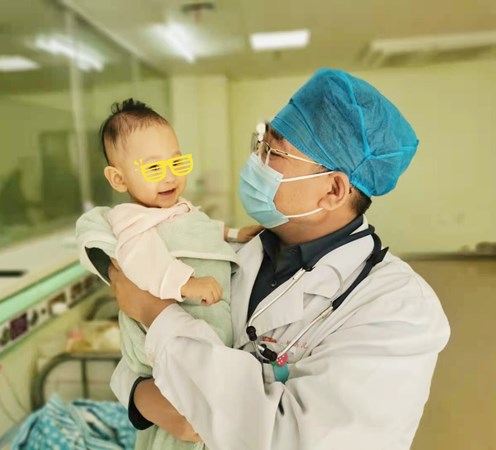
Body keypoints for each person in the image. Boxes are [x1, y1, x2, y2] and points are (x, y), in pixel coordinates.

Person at [107, 69, 451, 450]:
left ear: (333, 190)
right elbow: (133, 360)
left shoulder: (397, 309)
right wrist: (145, 398)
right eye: (260, 143)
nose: (256, 160)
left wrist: (156, 313)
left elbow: (295, 439)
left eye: (274, 152)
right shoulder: (230, 252)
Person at [75, 99, 261, 450]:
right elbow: (141, 260)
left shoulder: (176, 210)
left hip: (205, 341)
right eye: (153, 168)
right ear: (118, 179)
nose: (170, 176)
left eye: (176, 162)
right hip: (171, 335)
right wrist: (185, 284)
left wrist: (236, 234)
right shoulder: (130, 219)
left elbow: (201, 228)